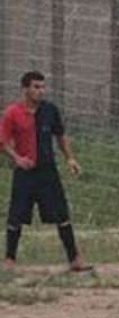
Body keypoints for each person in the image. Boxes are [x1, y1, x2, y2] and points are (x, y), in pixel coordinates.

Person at [0, 71, 91, 272]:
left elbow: (60, 136)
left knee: (62, 213)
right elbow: (2, 141)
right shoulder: (12, 112)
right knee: (16, 215)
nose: (41, 91)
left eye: (43, 87)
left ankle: (75, 259)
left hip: (48, 172)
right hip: (25, 173)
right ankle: (9, 260)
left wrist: (70, 158)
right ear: (25, 89)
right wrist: (17, 158)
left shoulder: (50, 110)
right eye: (36, 87)